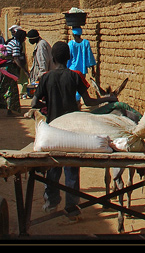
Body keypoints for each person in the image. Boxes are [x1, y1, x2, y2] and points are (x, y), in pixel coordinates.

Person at [31, 41, 116, 221]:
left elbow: (33, 104)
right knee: (71, 168)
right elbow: (89, 102)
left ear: (52, 59)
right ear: (69, 58)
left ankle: (52, 200)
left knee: (53, 166)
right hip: (72, 130)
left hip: (53, 129)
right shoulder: (76, 76)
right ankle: (72, 208)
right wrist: (110, 99)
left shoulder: (46, 77)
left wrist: (46, 106)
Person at [0, 44, 21, 116]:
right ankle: (9, 111)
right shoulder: (8, 56)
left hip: (0, 74)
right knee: (10, 91)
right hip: (9, 73)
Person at [67, 25, 99, 96]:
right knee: (80, 87)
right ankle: (78, 101)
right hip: (82, 70)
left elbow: (68, 58)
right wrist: (93, 69)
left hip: (72, 69)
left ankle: (75, 102)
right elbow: (90, 56)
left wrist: (66, 67)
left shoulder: (71, 44)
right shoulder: (85, 43)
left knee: (73, 87)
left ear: (73, 34)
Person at [27, 29, 52, 97]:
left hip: (45, 77)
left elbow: (43, 63)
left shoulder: (41, 46)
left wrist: (40, 77)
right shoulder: (41, 44)